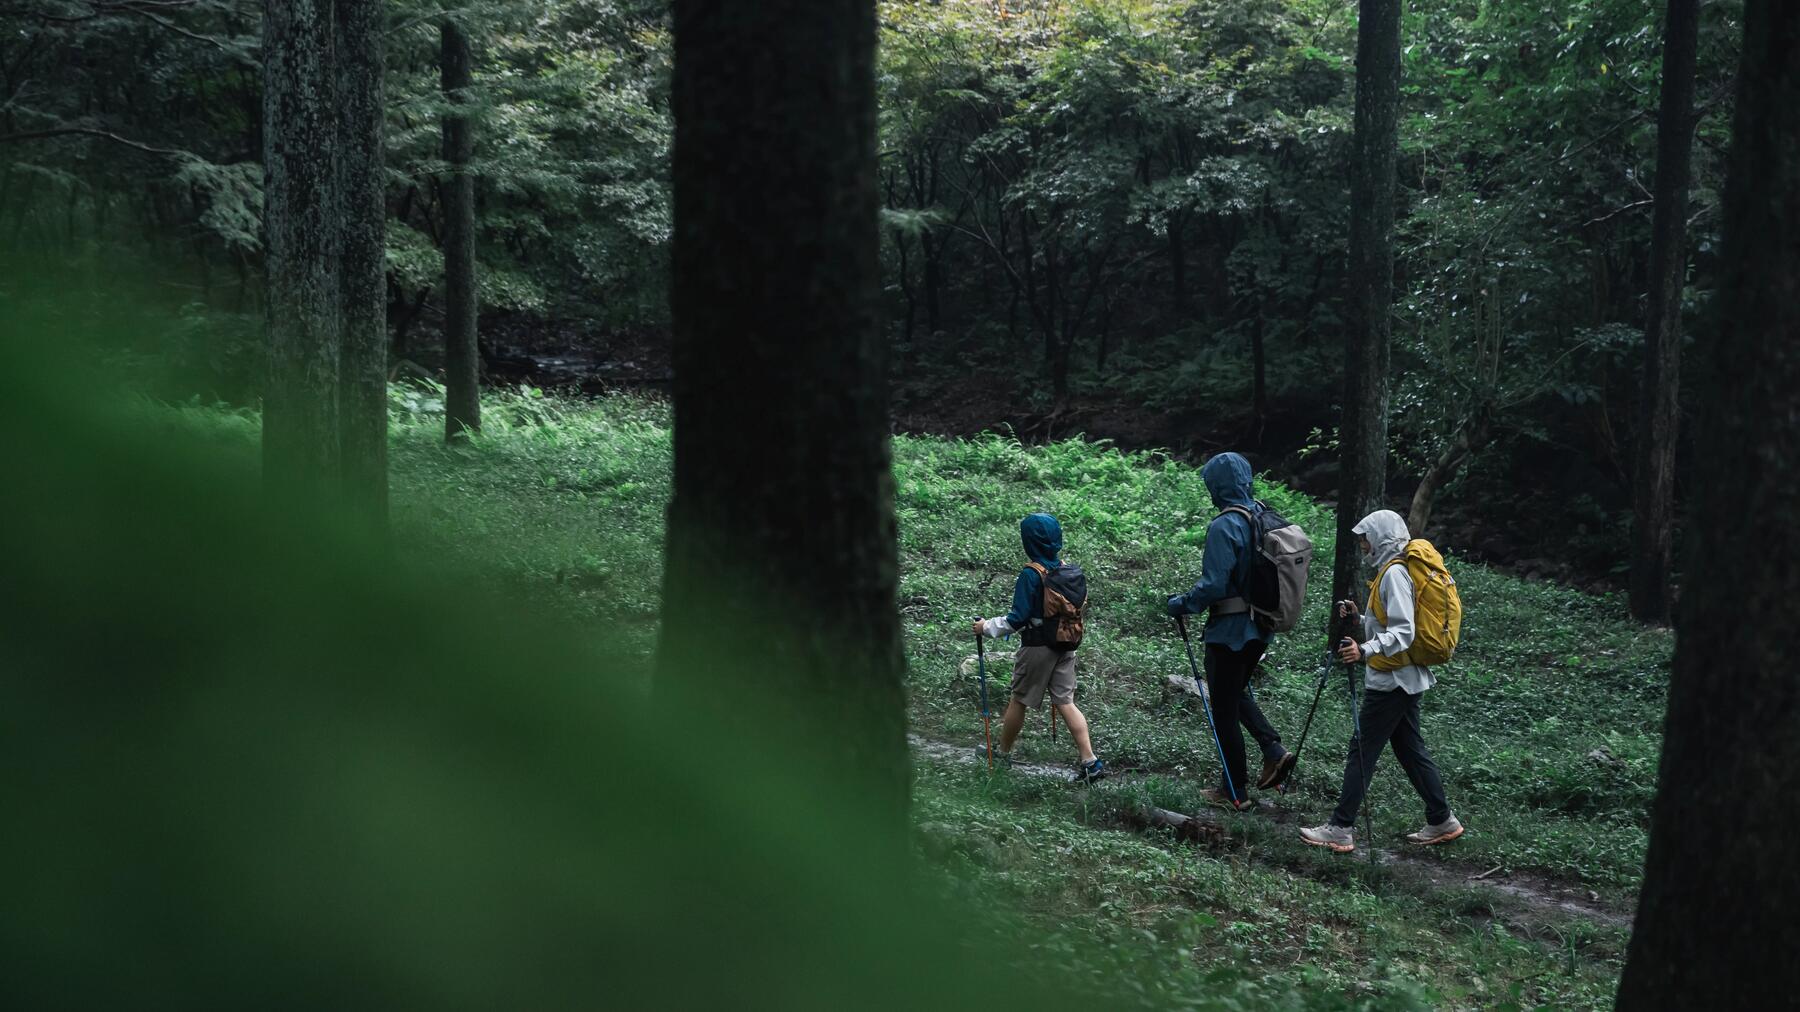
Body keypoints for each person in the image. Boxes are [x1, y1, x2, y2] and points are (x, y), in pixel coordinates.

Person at [1301, 509, 1464, 853]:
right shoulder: (1393, 573)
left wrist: (1364, 650)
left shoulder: (1394, 574)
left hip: (1392, 679)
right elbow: (1389, 621)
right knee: (1409, 749)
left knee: (1362, 750)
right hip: (1403, 677)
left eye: (1366, 537)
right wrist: (1359, 616)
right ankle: (1442, 820)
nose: (1362, 545)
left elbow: (1403, 632)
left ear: (1382, 538)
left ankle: (1340, 828)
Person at [1164, 452, 1295, 809]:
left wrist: (1181, 603)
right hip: (1260, 629)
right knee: (1236, 695)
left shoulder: (1225, 525)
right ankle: (1273, 749)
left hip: (1229, 633)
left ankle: (1234, 793)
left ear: (1216, 486)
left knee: (1223, 711)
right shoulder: (1261, 514)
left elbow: (1213, 586)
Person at [973, 513, 1104, 781]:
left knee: (1018, 700)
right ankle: (1090, 761)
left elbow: (1016, 619)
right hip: (1066, 645)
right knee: (1066, 701)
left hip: (1037, 647)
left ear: (1028, 541)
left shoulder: (1031, 575)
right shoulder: (1067, 569)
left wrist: (985, 627)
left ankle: (1002, 755)